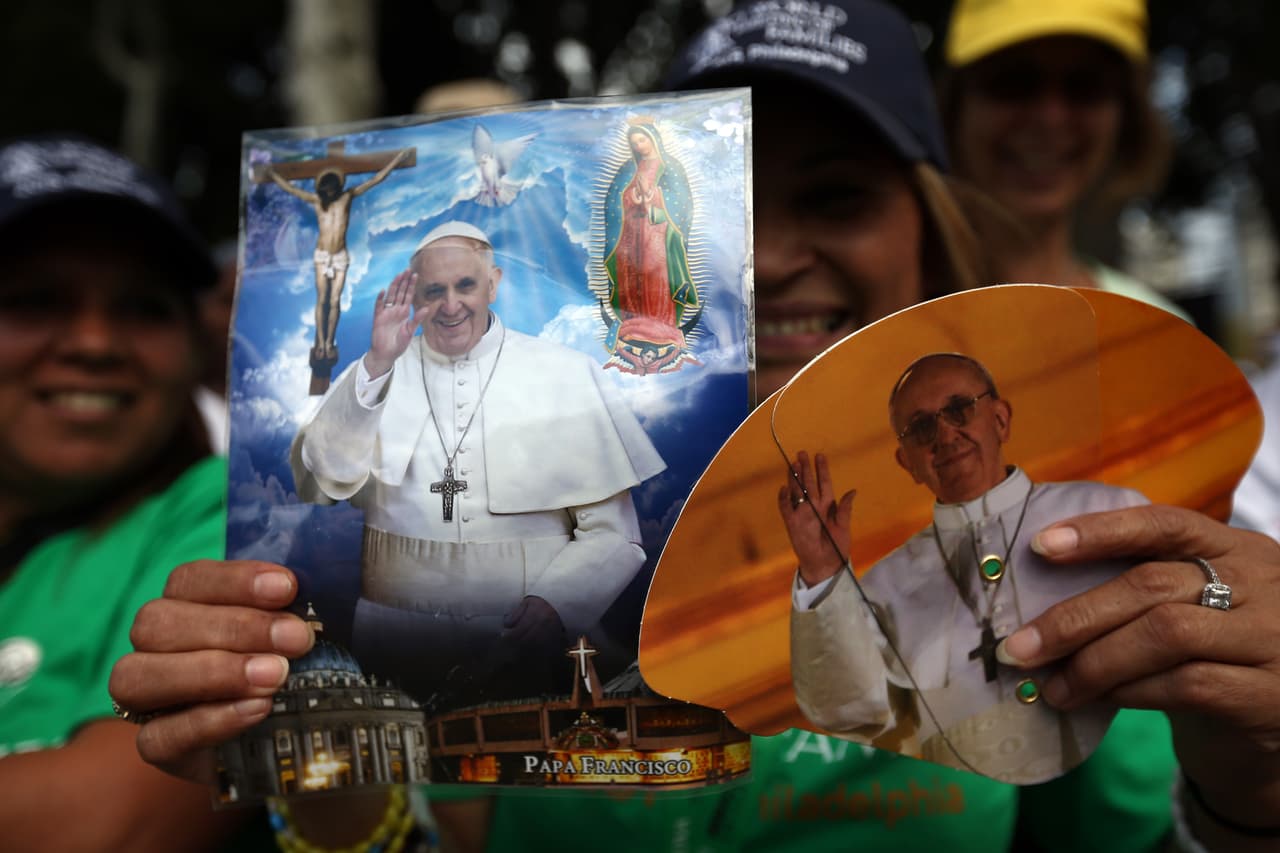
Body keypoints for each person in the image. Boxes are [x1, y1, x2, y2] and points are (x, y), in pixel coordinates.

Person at [109, 2, 1280, 851]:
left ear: (927, 239)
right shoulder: (545, 422)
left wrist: (1248, 773)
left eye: (835, 198)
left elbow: (1141, 834)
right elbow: (440, 825)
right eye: (730, 204)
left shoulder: (1042, 522)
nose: (769, 257)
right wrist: (319, 761)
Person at [0, 135, 261, 850]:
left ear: (194, 346)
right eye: (34, 301)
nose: (94, 342)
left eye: (144, 308)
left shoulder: (241, 520)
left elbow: (101, 826)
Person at [290, 220, 665, 708]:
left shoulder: (565, 373)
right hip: (394, 638)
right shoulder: (376, 372)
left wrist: (556, 604)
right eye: (434, 291)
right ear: (415, 295)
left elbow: (615, 535)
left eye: (465, 285)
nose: (450, 306)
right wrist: (378, 363)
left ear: (493, 284)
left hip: (526, 638)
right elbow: (326, 479)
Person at [784, 352, 1149, 784]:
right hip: (974, 799)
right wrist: (823, 575)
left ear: (1000, 420)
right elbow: (849, 711)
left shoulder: (1108, 511)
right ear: (907, 462)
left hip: (1124, 779)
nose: (944, 435)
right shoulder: (883, 587)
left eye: (959, 409)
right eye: (921, 428)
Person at [938, 0, 1187, 319]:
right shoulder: (888, 317)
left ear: (1128, 116)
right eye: (1013, 83)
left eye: (1085, 87)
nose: (1050, 118)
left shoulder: (1162, 332)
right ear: (956, 106)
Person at [263, 148, 412, 365]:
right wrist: (273, 175)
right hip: (322, 256)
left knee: (334, 301)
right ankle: (320, 343)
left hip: (340, 256)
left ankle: (328, 343)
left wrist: (397, 160)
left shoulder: (347, 197)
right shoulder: (317, 201)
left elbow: (376, 180)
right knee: (322, 299)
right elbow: (291, 190)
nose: (329, 189)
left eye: (333, 185)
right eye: (326, 186)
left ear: (337, 186)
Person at [604, 120, 699, 331]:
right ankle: (634, 323)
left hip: (659, 230)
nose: (639, 146)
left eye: (642, 139)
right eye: (634, 143)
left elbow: (681, 202)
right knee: (633, 275)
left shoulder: (671, 166)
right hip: (631, 231)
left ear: (654, 138)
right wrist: (632, 197)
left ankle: (661, 323)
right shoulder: (628, 168)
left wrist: (653, 196)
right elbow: (614, 199)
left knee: (656, 274)